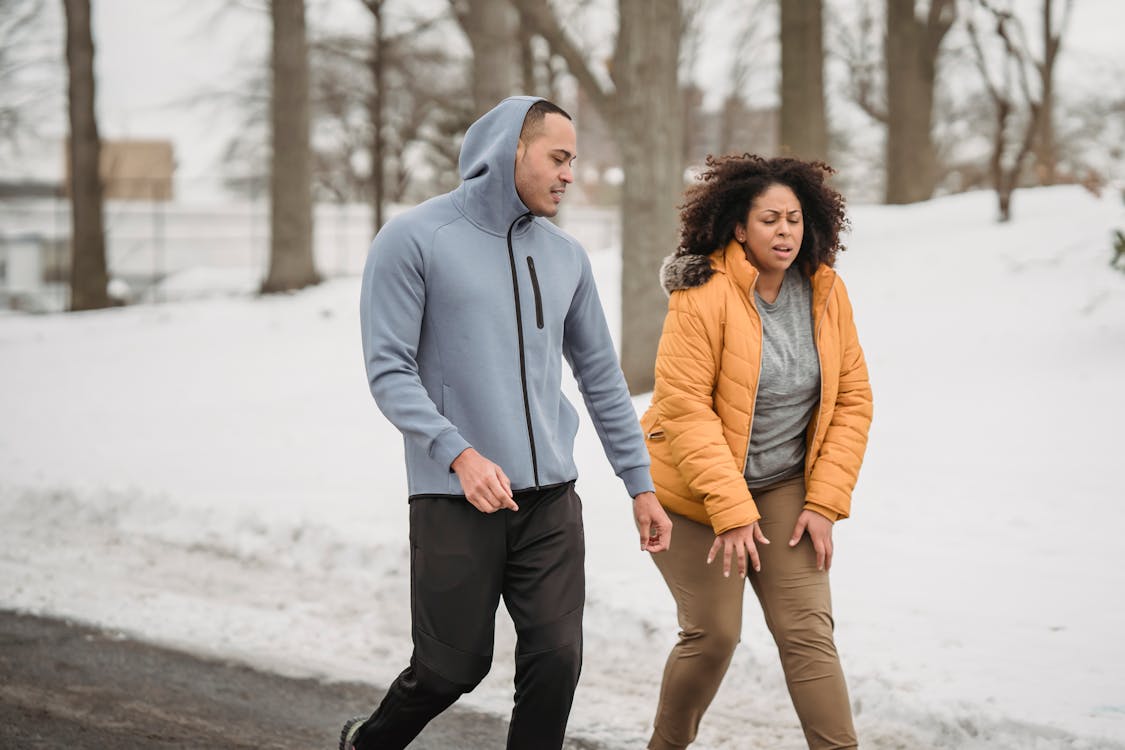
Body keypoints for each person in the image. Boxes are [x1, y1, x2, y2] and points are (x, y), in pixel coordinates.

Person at [343, 96, 673, 750]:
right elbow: (389, 370)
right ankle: (369, 743)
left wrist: (639, 483)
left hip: (550, 498)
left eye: (572, 160)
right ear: (511, 152)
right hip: (454, 494)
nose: (569, 174)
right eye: (557, 157)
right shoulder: (413, 238)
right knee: (448, 669)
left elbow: (601, 377)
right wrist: (457, 454)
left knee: (555, 661)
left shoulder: (565, 257)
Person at [640, 154, 873, 750]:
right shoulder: (702, 296)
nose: (786, 231)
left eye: (794, 218)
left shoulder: (825, 290)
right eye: (770, 219)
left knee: (807, 632)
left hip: (782, 484)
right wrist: (731, 510)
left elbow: (851, 400)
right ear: (739, 227)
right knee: (715, 634)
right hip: (691, 494)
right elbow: (684, 410)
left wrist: (823, 503)